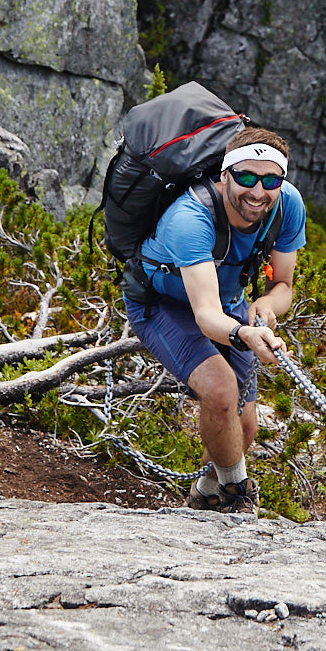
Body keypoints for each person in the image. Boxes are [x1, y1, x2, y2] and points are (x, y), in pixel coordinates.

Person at [124, 126, 306, 512]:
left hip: (229, 302)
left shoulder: (287, 205)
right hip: (163, 303)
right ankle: (237, 497)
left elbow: (285, 284)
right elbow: (205, 316)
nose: (258, 192)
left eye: (270, 179)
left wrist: (268, 305)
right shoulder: (191, 218)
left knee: (245, 427)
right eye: (245, 177)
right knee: (221, 390)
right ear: (225, 176)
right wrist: (245, 332)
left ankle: (207, 492)